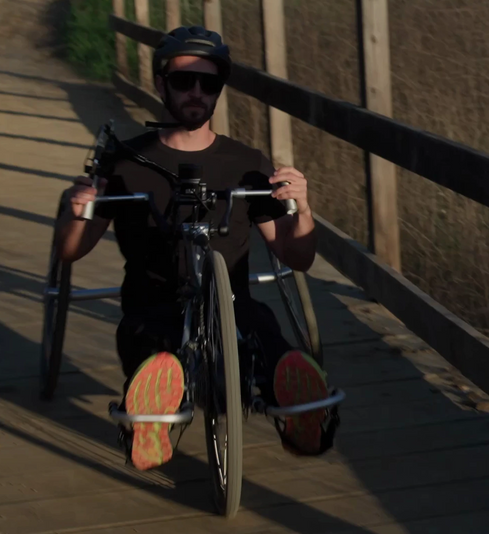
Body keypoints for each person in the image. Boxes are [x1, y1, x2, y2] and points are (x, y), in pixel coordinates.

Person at [52, 26, 332, 470]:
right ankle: (152, 415)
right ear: (161, 83)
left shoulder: (247, 164)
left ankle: (297, 406)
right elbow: (71, 251)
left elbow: (297, 257)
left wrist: (302, 210)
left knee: (264, 338)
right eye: (184, 81)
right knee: (158, 355)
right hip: (152, 307)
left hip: (234, 306)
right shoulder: (126, 163)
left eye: (210, 82)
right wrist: (79, 210)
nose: (197, 92)